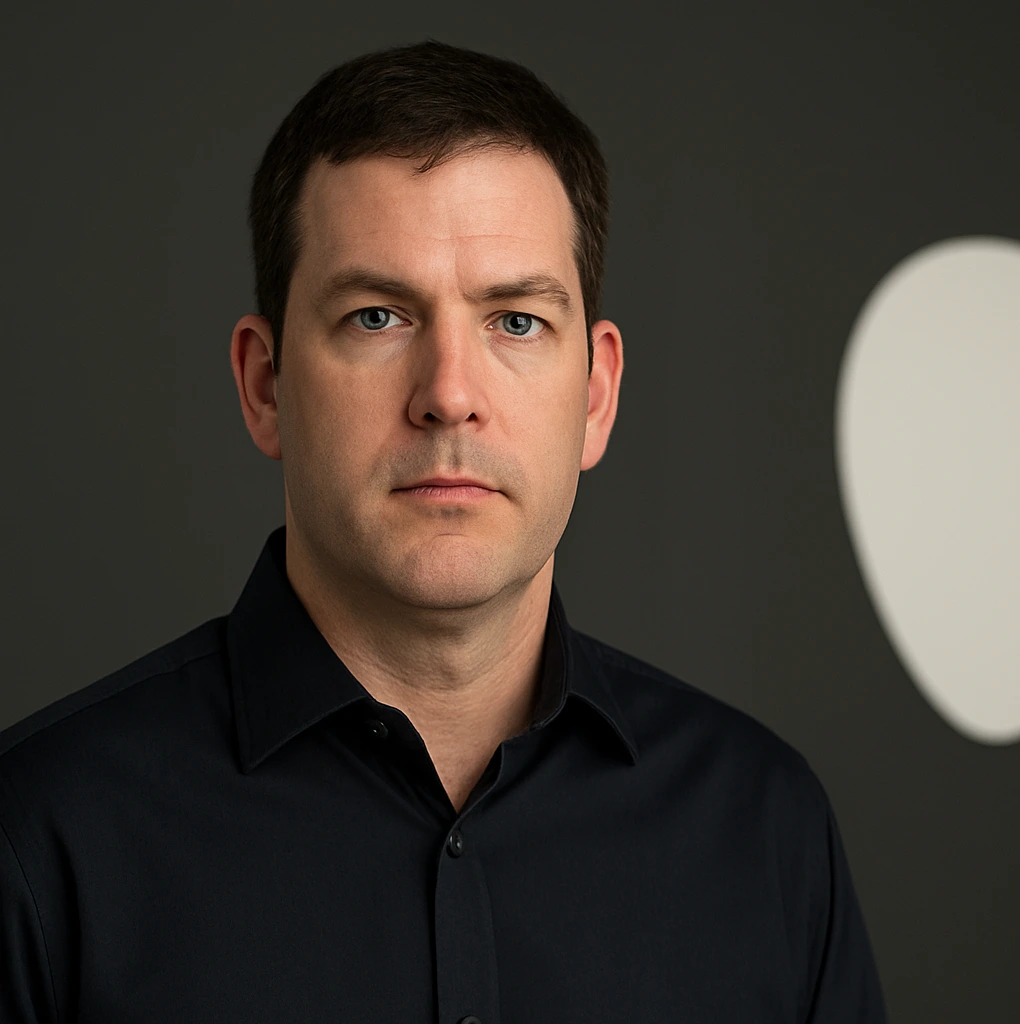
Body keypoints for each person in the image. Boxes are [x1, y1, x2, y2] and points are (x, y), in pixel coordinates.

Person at [0, 40, 887, 1023]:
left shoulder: (764, 829)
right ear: (264, 387)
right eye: (378, 316)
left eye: (514, 321)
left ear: (596, 394)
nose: (450, 395)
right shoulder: (40, 837)